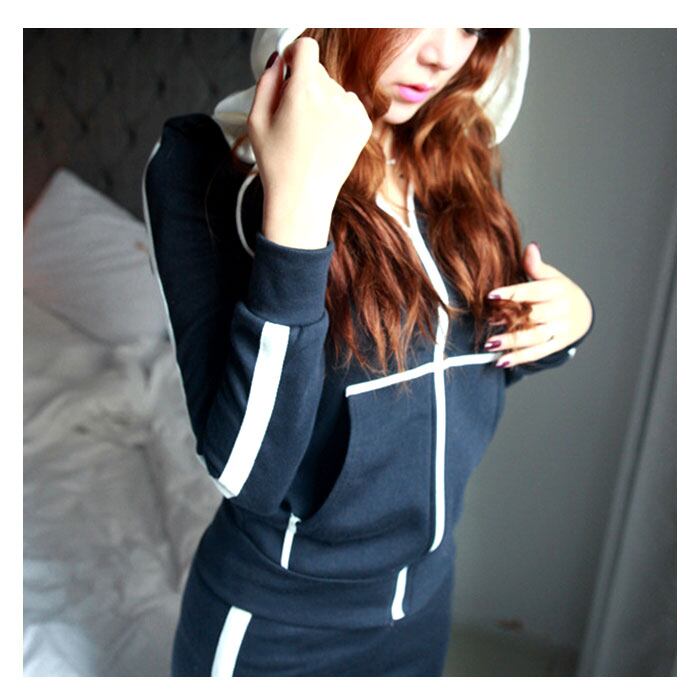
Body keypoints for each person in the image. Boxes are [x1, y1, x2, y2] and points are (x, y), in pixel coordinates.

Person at [142, 28, 594, 677]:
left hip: (423, 611)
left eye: (470, 23)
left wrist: (568, 323)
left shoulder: (453, 161)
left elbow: (455, 372)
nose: (444, 55)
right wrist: (298, 209)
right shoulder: (210, 166)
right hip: (274, 630)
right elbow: (247, 473)